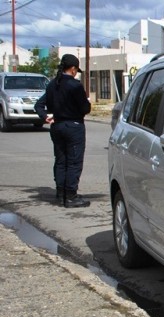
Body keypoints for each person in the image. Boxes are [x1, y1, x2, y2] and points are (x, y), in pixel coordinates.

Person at [34, 54, 92, 208]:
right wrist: (87, 103)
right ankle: (71, 195)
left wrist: (45, 116)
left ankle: (61, 194)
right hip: (73, 126)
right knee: (74, 162)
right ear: (73, 69)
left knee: (60, 161)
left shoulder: (53, 84)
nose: (75, 72)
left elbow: (38, 105)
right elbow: (85, 108)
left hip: (57, 126)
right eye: (75, 70)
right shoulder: (75, 85)